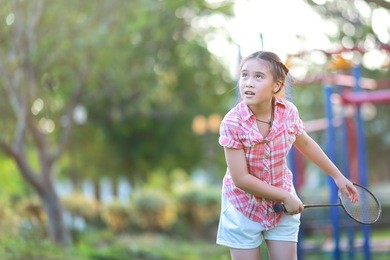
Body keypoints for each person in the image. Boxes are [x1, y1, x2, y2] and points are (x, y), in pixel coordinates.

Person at [216, 51, 359, 260]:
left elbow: (306, 143)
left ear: (276, 85)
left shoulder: (288, 112)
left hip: (282, 206)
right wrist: (285, 196)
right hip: (242, 207)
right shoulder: (231, 123)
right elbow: (241, 179)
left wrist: (337, 176)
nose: (248, 82)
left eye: (258, 77)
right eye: (244, 75)